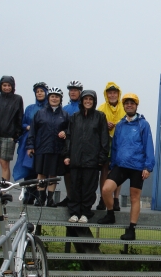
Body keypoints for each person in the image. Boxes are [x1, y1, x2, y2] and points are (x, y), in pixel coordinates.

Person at [97, 93, 155, 241]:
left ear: (136, 106)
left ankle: (131, 229)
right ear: (124, 106)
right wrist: (113, 163)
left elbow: (149, 146)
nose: (129, 105)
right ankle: (110, 215)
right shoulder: (121, 125)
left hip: (137, 166)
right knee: (106, 189)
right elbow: (115, 146)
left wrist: (148, 167)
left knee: (135, 197)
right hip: (121, 165)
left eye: (132, 103)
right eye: (127, 103)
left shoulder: (143, 124)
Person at [64, 90, 109, 223]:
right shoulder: (74, 117)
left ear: (94, 101)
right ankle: (74, 213)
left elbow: (104, 138)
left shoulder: (100, 116)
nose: (88, 101)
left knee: (89, 188)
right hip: (75, 158)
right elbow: (69, 137)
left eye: (90, 99)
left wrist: (102, 157)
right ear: (82, 101)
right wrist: (67, 155)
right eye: (85, 99)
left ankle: (85, 213)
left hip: (92, 160)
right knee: (75, 187)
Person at [26, 87, 69, 207]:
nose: (54, 99)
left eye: (57, 97)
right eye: (52, 96)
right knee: (41, 174)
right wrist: (30, 145)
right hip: (41, 148)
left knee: (53, 174)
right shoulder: (40, 113)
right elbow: (32, 131)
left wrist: (65, 132)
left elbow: (69, 130)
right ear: (48, 98)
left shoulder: (65, 115)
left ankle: (50, 199)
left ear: (60, 99)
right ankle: (40, 198)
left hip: (56, 149)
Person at [12, 82, 48, 204]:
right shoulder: (29, 108)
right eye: (37, 92)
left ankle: (40, 193)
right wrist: (27, 127)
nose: (39, 93)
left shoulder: (49, 108)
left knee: (41, 168)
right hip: (29, 142)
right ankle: (29, 193)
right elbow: (22, 123)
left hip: (43, 142)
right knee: (29, 167)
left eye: (41, 91)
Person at [0, 75, 24, 183]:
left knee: (4, 163)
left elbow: (19, 118)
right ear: (0, 86)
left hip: (8, 136)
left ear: (12, 86)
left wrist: (15, 136)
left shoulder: (17, 99)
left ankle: (4, 190)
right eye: (4, 85)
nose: (6, 87)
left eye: (9, 85)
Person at [96, 82, 126, 211]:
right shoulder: (101, 108)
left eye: (114, 93)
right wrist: (104, 124)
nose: (112, 95)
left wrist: (117, 125)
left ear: (118, 94)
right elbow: (94, 124)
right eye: (110, 93)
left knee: (117, 172)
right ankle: (103, 198)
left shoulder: (125, 107)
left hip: (120, 144)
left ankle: (116, 199)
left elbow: (127, 122)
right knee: (104, 171)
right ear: (106, 94)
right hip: (104, 143)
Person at [55, 80, 83, 207]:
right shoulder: (64, 108)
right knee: (67, 172)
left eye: (75, 90)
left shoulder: (84, 107)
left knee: (79, 173)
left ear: (80, 92)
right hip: (67, 145)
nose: (73, 92)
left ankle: (79, 198)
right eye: (71, 90)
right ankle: (69, 196)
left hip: (80, 145)